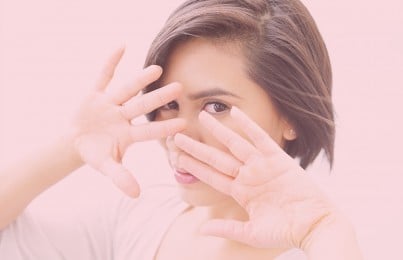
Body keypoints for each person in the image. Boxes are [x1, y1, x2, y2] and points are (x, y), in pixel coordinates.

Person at [0, 0, 363, 259]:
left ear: (292, 118)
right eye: (169, 105)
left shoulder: (319, 248)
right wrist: (71, 146)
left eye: (216, 106)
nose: (178, 136)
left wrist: (321, 228)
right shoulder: (142, 219)